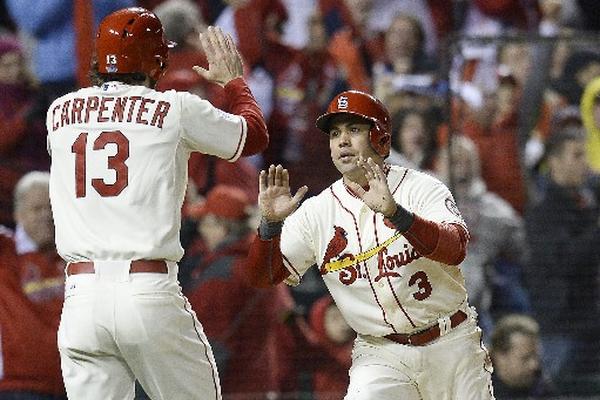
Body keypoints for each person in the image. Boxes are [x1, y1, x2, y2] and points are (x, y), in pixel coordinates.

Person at [45, 7, 268, 400]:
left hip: (80, 300)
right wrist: (234, 83)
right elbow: (252, 137)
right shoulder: (175, 109)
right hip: (146, 290)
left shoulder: (58, 112)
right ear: (158, 60)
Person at [245, 90, 495, 399]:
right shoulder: (317, 212)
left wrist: (397, 215)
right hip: (381, 353)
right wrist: (270, 226)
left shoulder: (420, 187)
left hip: (451, 343)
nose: (342, 141)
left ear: (379, 137)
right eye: (335, 133)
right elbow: (262, 277)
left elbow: (455, 248)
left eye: (354, 129)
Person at [183, 185, 297, 397]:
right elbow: (286, 319)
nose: (201, 230)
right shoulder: (264, 263)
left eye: (206, 223)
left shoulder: (223, 274)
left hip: (229, 387)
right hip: (263, 383)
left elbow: (206, 340)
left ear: (223, 227)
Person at [524, 126, 600, 396]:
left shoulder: (589, 203)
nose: (585, 163)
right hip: (561, 326)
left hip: (591, 323)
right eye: (576, 156)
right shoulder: (542, 211)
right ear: (554, 161)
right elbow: (565, 261)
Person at [0, 171, 66, 399]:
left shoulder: (76, 255)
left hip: (75, 386)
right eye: (36, 209)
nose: (45, 215)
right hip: (19, 387)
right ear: (17, 214)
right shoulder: (6, 253)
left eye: (51, 207)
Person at [490, 314, 557, 399]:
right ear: (500, 357)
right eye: (526, 358)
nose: (534, 365)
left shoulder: (541, 386)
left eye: (536, 357)